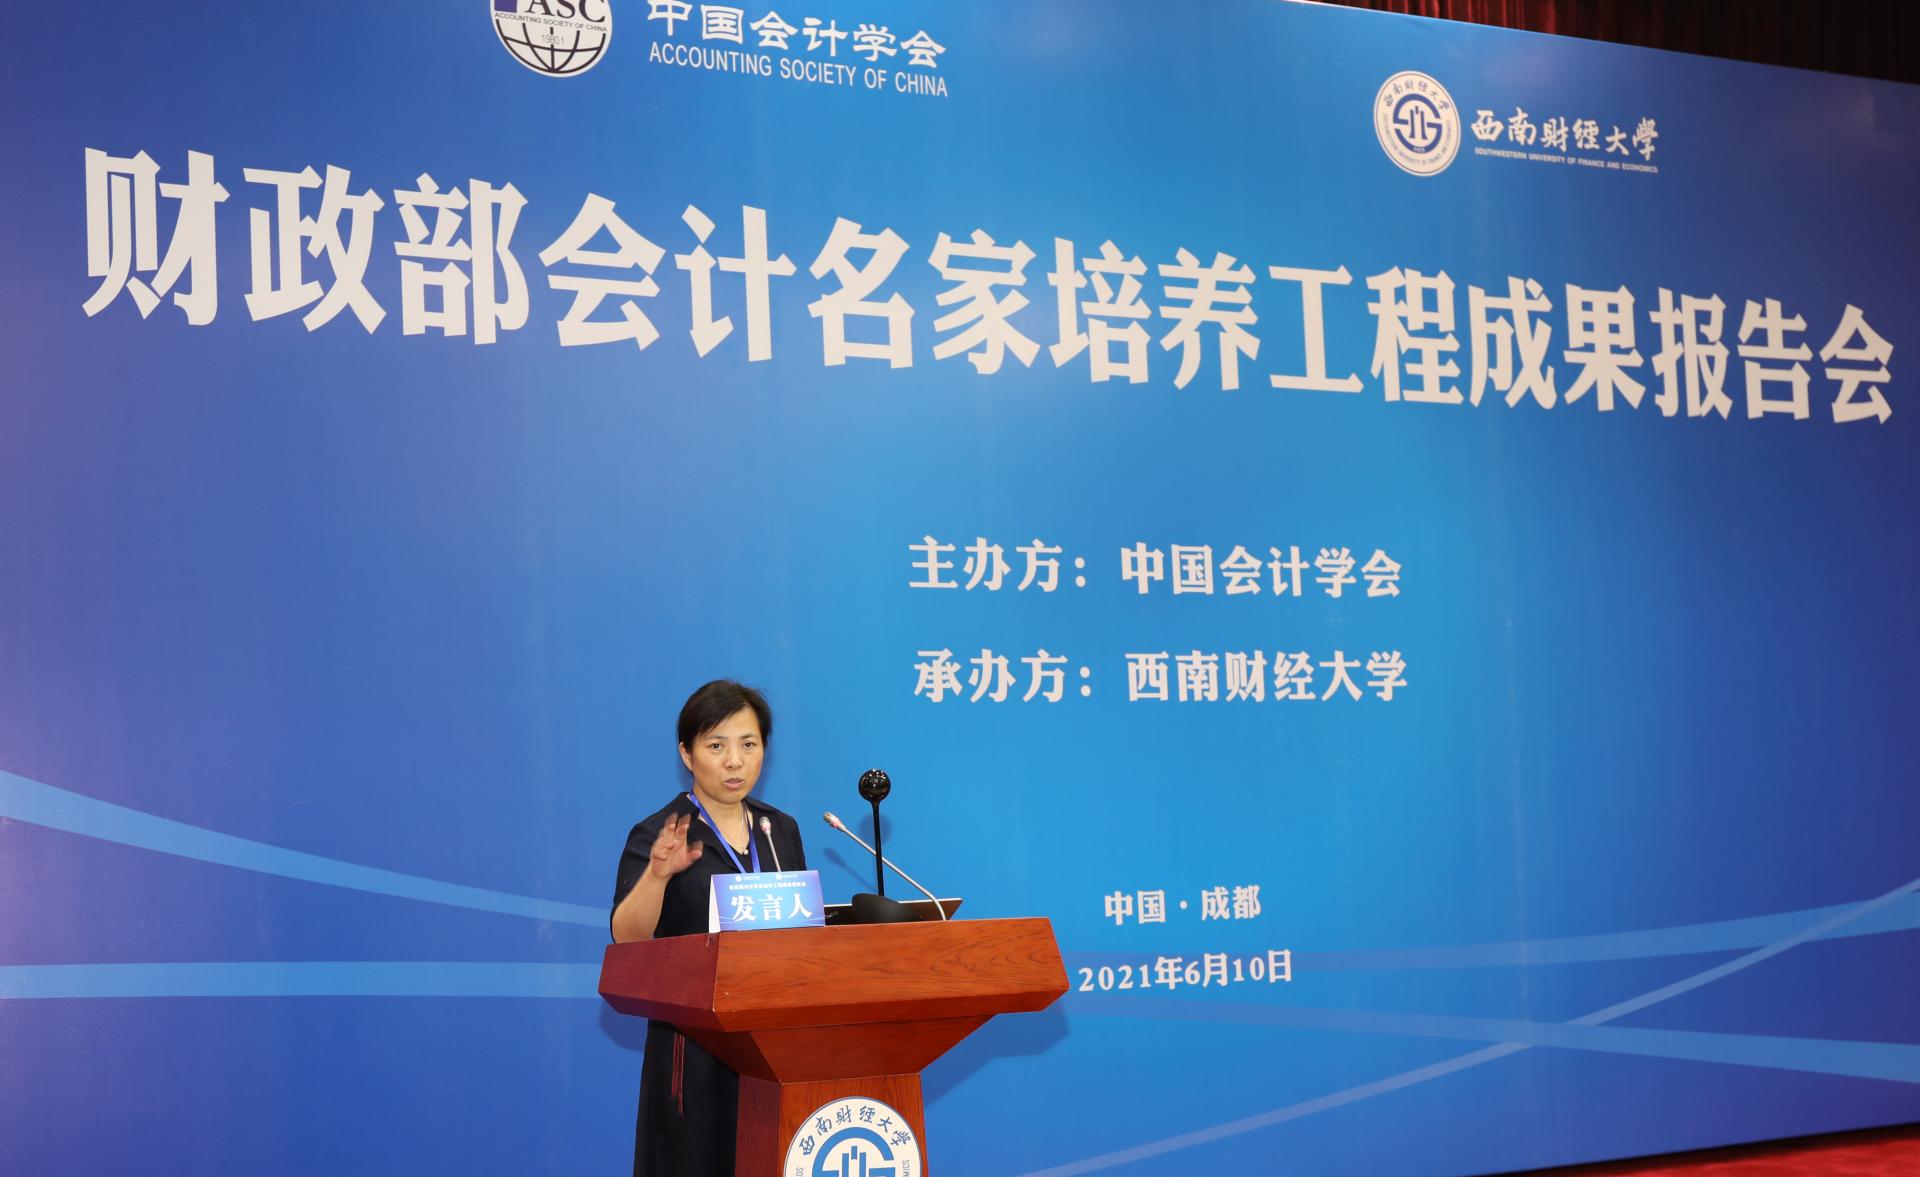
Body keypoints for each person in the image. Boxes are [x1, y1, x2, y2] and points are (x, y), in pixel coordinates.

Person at [610, 680, 808, 1177]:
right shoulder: (662, 833)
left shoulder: (779, 830)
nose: (735, 761)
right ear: (687, 754)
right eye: (716, 746)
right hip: (695, 1051)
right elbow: (627, 938)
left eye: (748, 744)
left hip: (775, 1046)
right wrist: (657, 876)